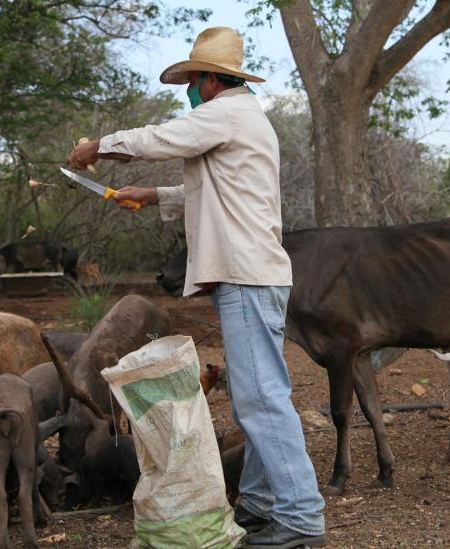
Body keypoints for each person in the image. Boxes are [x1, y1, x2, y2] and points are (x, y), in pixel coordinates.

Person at [69, 26, 326, 548]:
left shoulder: (226, 113)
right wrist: (152, 195)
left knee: (261, 401)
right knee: (258, 395)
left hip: (247, 277)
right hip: (253, 276)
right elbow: (214, 192)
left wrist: (98, 147)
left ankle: (300, 518)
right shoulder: (241, 119)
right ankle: (258, 503)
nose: (189, 89)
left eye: (192, 80)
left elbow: (160, 139)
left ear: (211, 80)